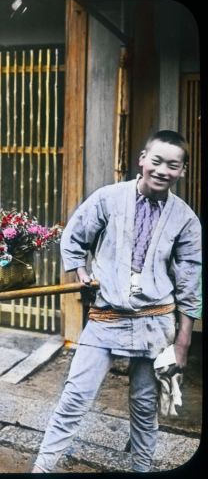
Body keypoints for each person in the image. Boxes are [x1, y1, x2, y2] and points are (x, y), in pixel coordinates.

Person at [32, 130, 202, 473]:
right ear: (142, 160)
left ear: (181, 171)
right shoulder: (109, 198)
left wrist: (182, 343)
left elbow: (189, 285)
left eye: (172, 165)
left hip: (156, 321)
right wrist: (79, 270)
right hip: (106, 316)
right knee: (75, 397)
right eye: (156, 161)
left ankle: (141, 468)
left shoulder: (185, 219)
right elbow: (76, 234)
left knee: (144, 405)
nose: (162, 170)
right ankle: (42, 468)